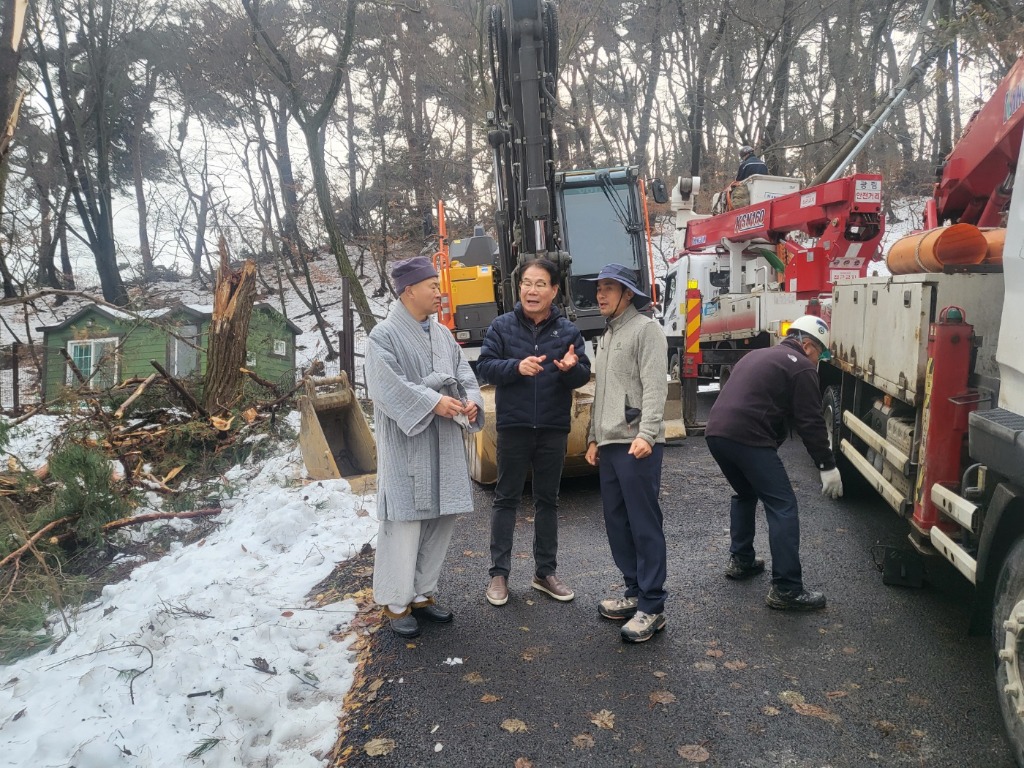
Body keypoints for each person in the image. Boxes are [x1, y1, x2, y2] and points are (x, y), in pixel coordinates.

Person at [364, 256, 485, 638]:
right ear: (408, 290)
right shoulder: (381, 337)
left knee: (440, 518)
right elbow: (388, 388)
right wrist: (433, 401)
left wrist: (470, 401)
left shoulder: (443, 334)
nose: (439, 291)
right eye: (432, 285)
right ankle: (396, 603)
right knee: (405, 520)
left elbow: (464, 374)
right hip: (408, 443)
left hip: (445, 438)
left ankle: (421, 594)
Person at [704, 315, 843, 612]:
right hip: (747, 436)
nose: (819, 359)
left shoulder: (759, 355)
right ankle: (787, 588)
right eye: (820, 352)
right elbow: (811, 422)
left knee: (745, 493)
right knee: (782, 505)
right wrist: (826, 465)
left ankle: (741, 560)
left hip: (716, 433)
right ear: (807, 345)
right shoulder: (802, 366)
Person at [476, 259, 591, 607]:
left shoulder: (568, 331)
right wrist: (515, 366)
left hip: (554, 426)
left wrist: (571, 369)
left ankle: (545, 572)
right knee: (506, 498)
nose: (532, 290)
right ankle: (499, 574)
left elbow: (582, 374)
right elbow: (484, 366)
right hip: (514, 426)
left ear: (554, 291)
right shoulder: (501, 326)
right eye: (527, 283)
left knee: (547, 500)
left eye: (540, 284)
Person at [584, 263, 669, 643]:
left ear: (627, 294)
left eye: (608, 288)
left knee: (643, 524)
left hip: (637, 443)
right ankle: (634, 591)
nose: (600, 295)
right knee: (618, 524)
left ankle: (652, 605)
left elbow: (654, 387)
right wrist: (592, 437)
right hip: (610, 443)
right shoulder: (606, 336)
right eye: (599, 288)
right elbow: (600, 392)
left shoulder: (645, 330)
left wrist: (649, 433)